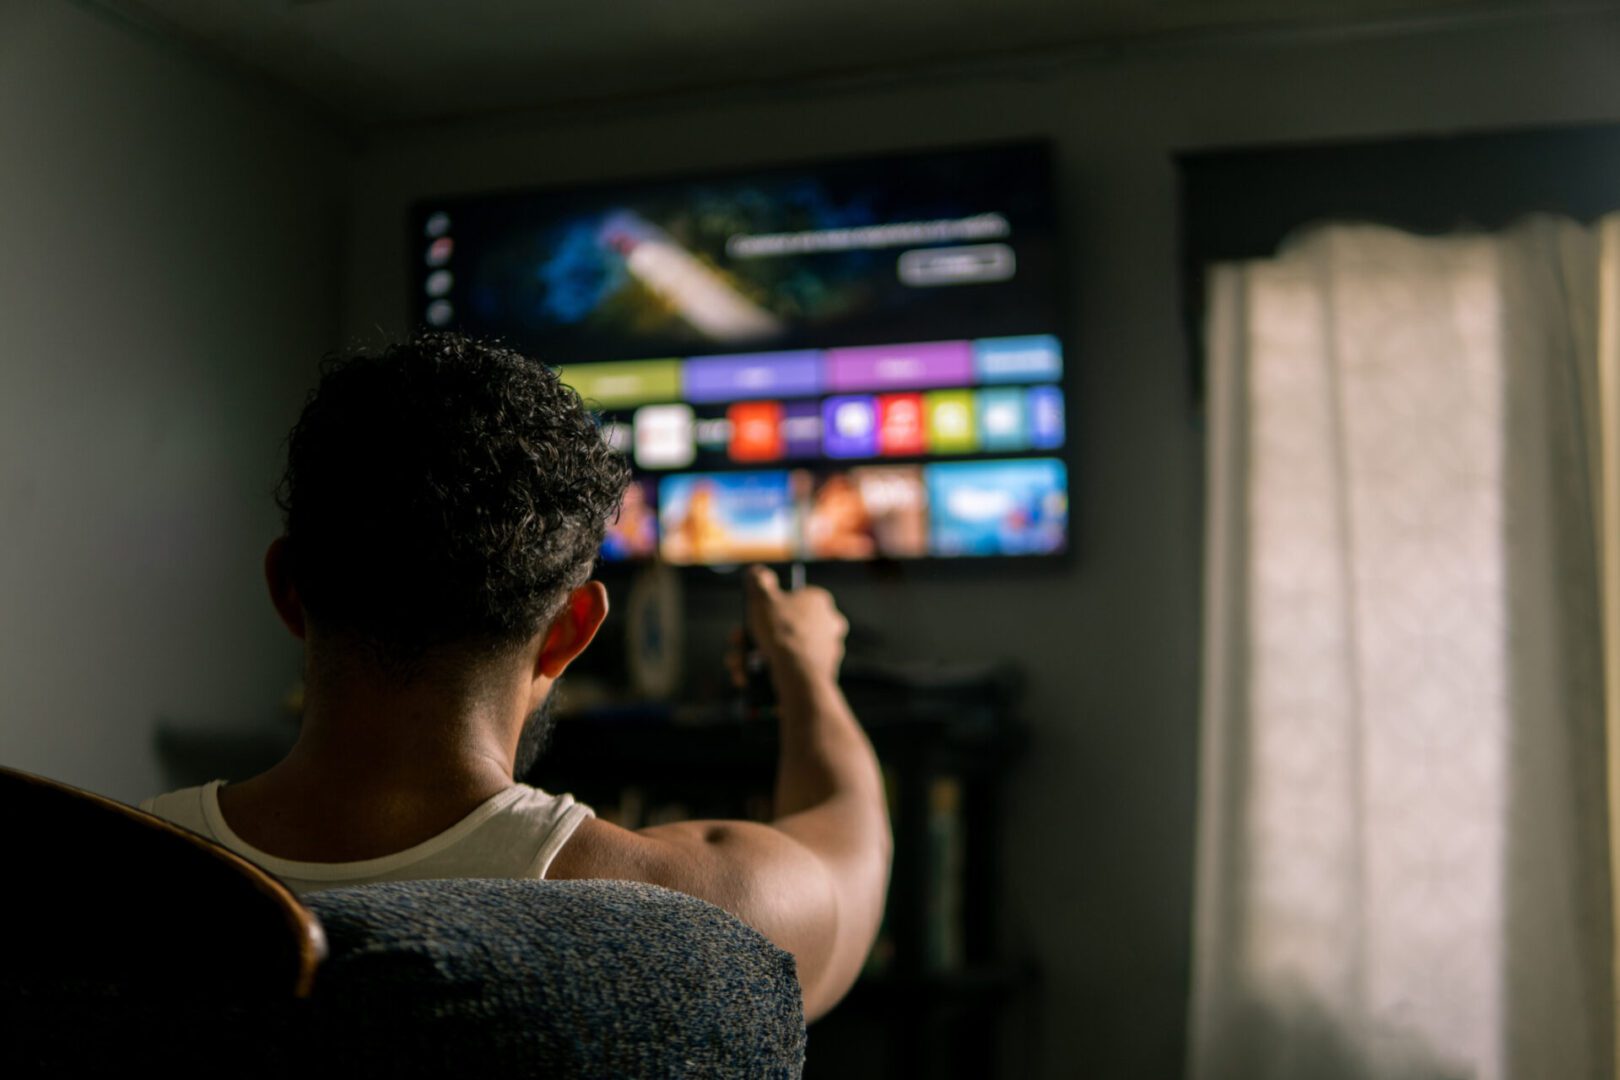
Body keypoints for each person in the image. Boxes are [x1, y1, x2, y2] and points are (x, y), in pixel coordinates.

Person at [139, 332, 891, 1022]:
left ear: (287, 589)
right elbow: (850, 848)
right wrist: (804, 669)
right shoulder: (685, 916)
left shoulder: (91, 878)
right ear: (571, 631)